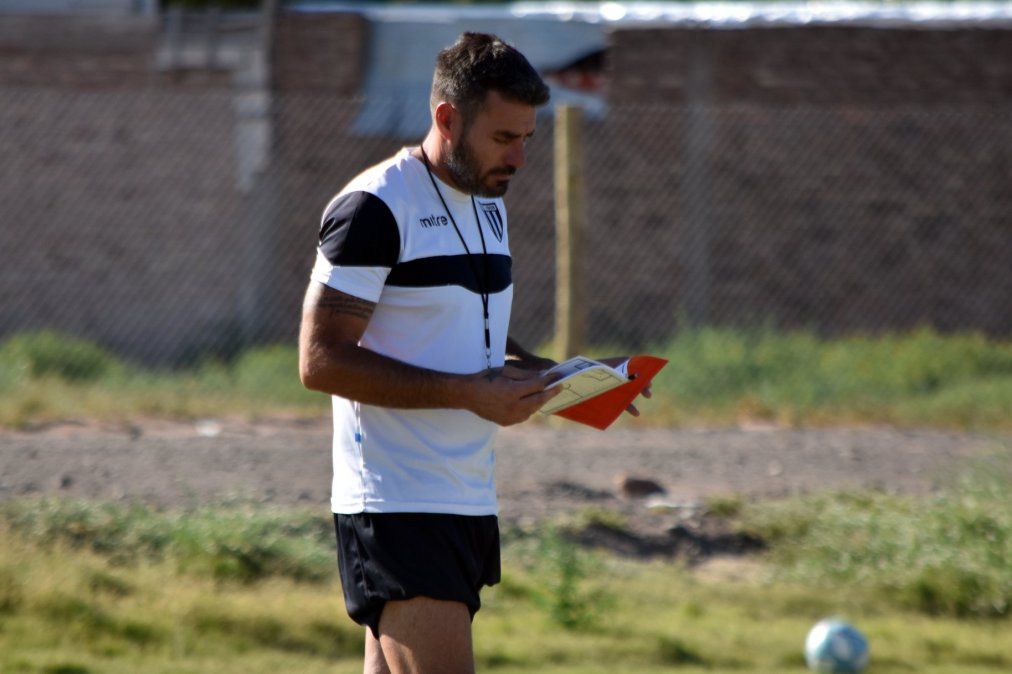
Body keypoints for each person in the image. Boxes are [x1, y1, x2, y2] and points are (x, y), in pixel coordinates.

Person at [298, 32, 646, 674]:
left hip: (465, 495)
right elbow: (320, 360)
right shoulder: (375, 207)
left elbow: (469, 331)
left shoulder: (488, 200)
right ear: (447, 118)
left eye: (527, 139)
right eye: (502, 138)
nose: (518, 157)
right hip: (397, 503)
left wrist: (561, 375)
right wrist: (466, 392)